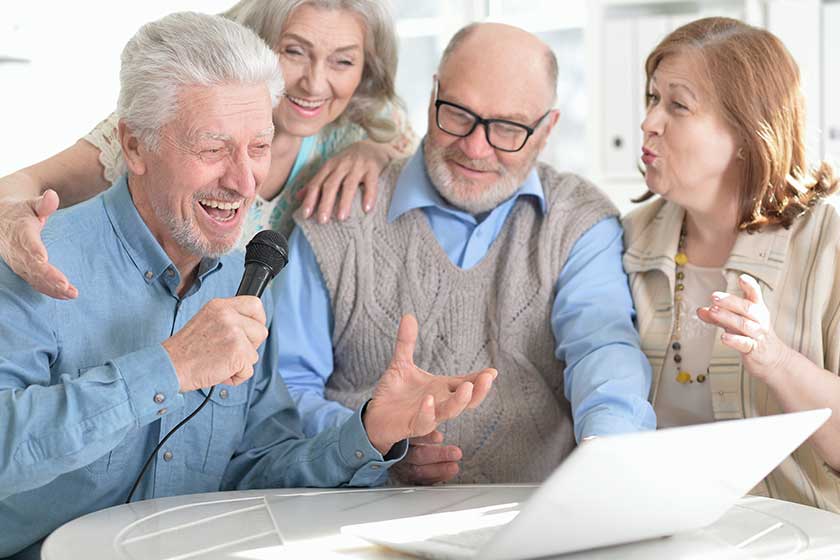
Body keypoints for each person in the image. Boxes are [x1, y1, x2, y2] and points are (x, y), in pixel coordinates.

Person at [0, 13, 495, 559]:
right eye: (213, 150)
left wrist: (370, 435)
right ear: (134, 147)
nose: (243, 182)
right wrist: (171, 367)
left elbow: (256, 468)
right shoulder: (32, 259)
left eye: (259, 147)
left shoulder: (249, 276)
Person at [273, 22, 656, 485]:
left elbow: (602, 349)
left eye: (508, 128)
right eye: (458, 114)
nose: (475, 149)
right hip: (359, 519)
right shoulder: (338, 211)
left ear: (547, 128)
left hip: (535, 519)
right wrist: (374, 443)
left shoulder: (579, 221)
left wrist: (609, 457)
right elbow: (287, 394)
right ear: (434, 95)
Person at [0, 0, 416, 301]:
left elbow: (421, 162)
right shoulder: (161, 125)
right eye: (293, 52)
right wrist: (11, 215)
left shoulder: (360, 131)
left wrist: (377, 152)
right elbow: (24, 184)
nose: (314, 83)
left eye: (343, 62)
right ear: (254, 44)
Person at [623, 17, 840, 511]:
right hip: (652, 530)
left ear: (747, 133)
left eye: (677, 105)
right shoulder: (627, 239)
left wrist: (776, 360)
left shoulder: (830, 246)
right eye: (653, 98)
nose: (649, 122)